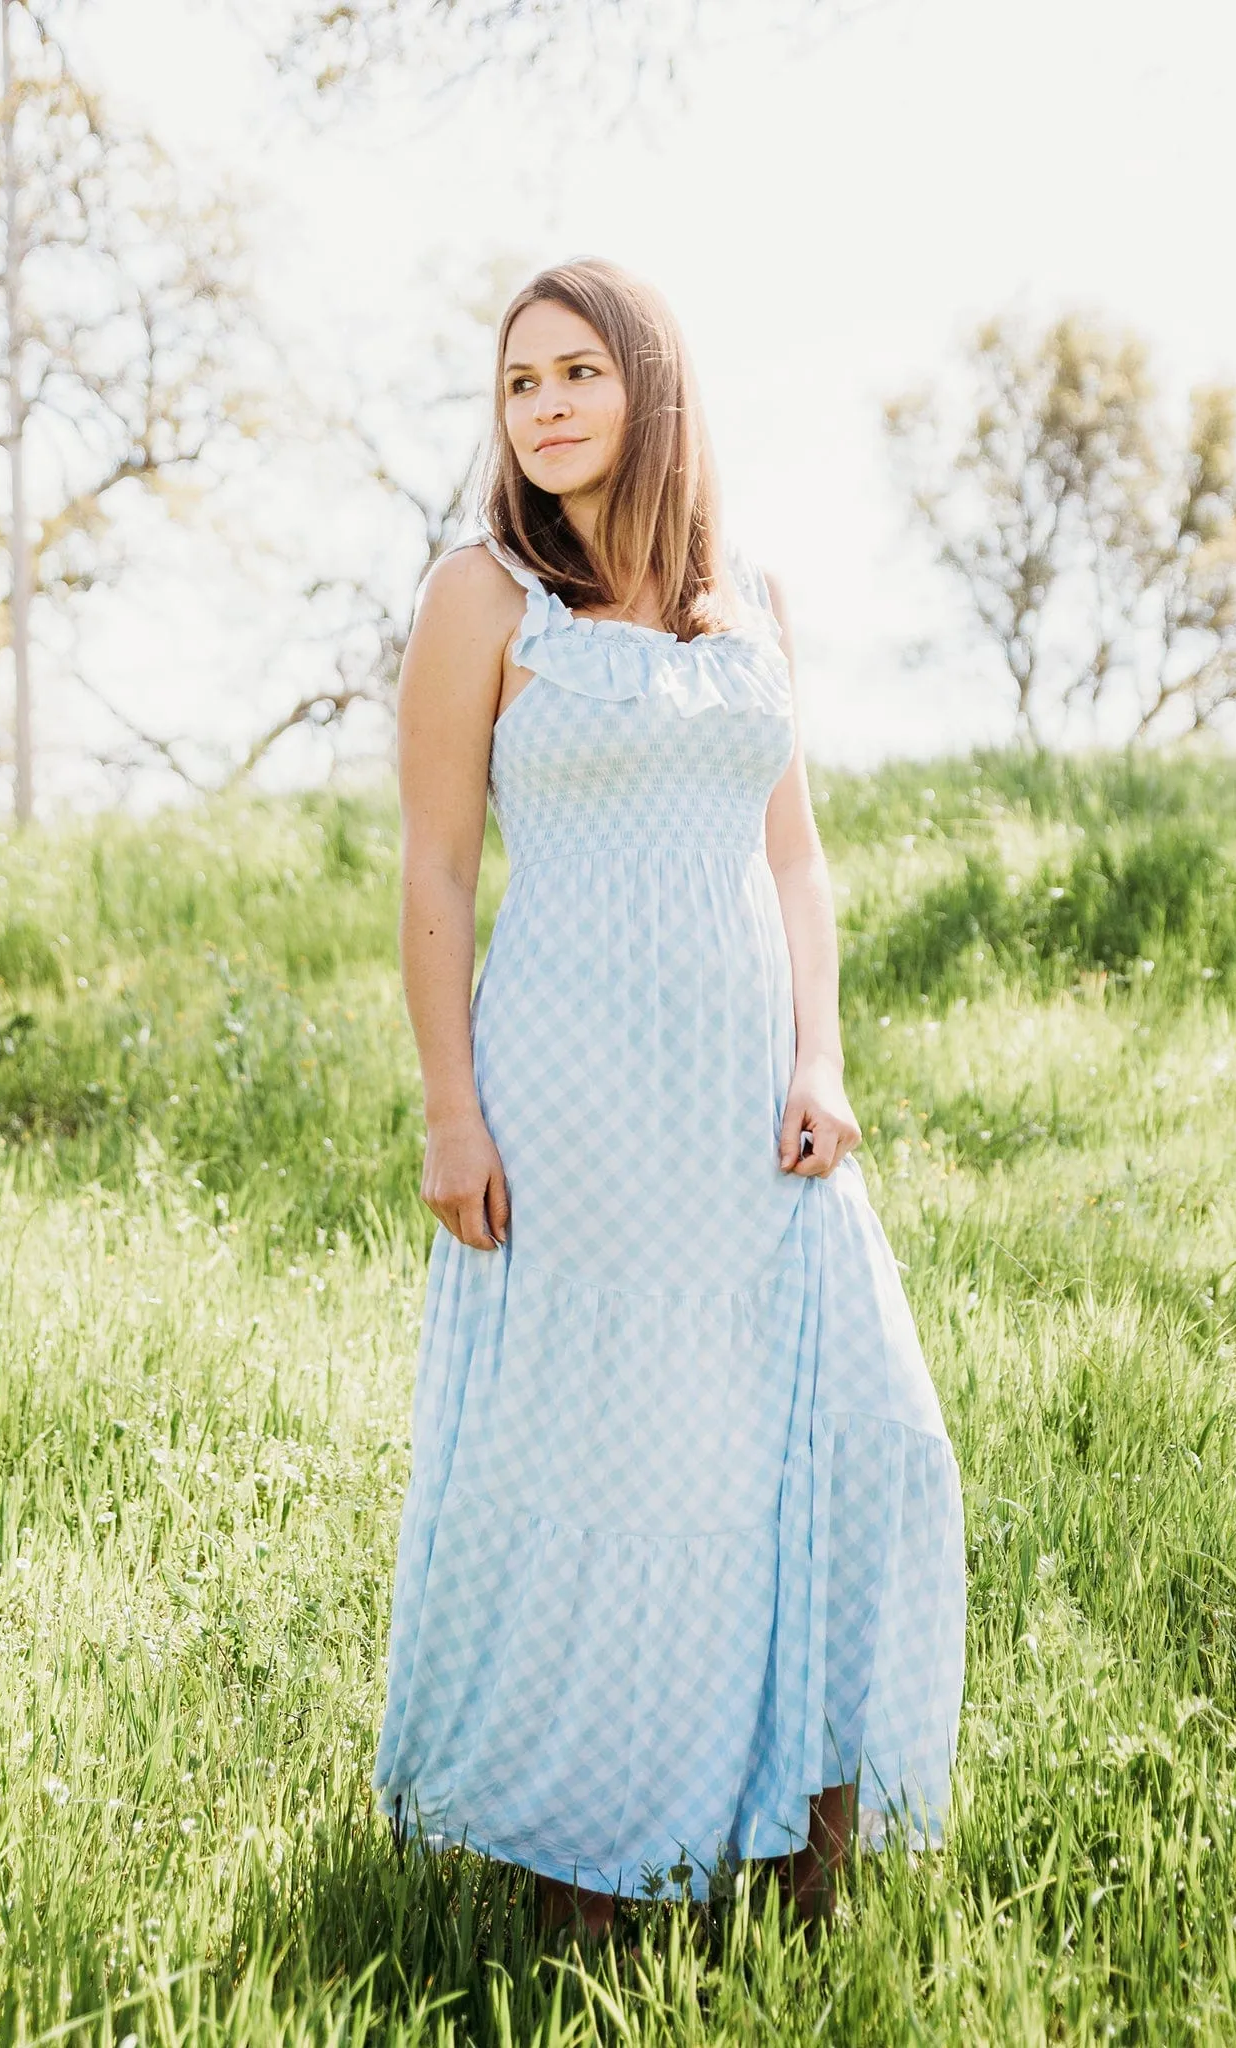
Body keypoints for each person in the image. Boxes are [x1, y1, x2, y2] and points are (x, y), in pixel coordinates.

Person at [374, 256, 965, 1942]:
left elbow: (794, 854)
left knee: (866, 1437)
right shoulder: (482, 599)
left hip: (751, 1108)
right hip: (569, 1101)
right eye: (518, 384)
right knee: (625, 1464)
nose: (547, 406)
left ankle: (802, 1839)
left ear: (653, 387)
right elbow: (431, 861)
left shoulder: (755, 600)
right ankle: (593, 1865)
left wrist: (819, 1057)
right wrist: (449, 1110)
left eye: (578, 373)